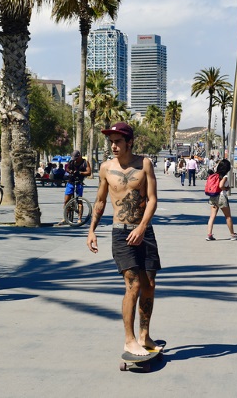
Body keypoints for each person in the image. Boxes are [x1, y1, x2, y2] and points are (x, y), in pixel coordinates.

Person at [86, 122, 162, 357]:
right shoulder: (106, 168)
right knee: (133, 285)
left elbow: (152, 200)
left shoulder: (144, 164)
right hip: (121, 232)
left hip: (144, 232)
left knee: (149, 284)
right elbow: (100, 201)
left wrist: (142, 227)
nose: (113, 146)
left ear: (129, 142)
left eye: (118, 141)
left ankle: (143, 335)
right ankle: (129, 340)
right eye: (111, 141)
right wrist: (91, 230)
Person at [205, 159, 237, 242]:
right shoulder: (224, 176)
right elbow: (221, 185)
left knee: (212, 216)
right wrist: (226, 188)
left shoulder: (215, 175)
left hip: (213, 196)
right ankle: (232, 234)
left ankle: (209, 235)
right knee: (228, 216)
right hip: (221, 197)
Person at [57, 150, 92, 225]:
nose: (75, 160)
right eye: (74, 158)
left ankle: (79, 219)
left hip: (79, 182)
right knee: (66, 200)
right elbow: (67, 168)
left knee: (79, 201)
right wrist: (70, 171)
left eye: (76, 158)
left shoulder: (85, 162)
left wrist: (80, 173)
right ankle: (65, 217)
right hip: (70, 182)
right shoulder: (72, 161)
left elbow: (89, 172)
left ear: (79, 156)